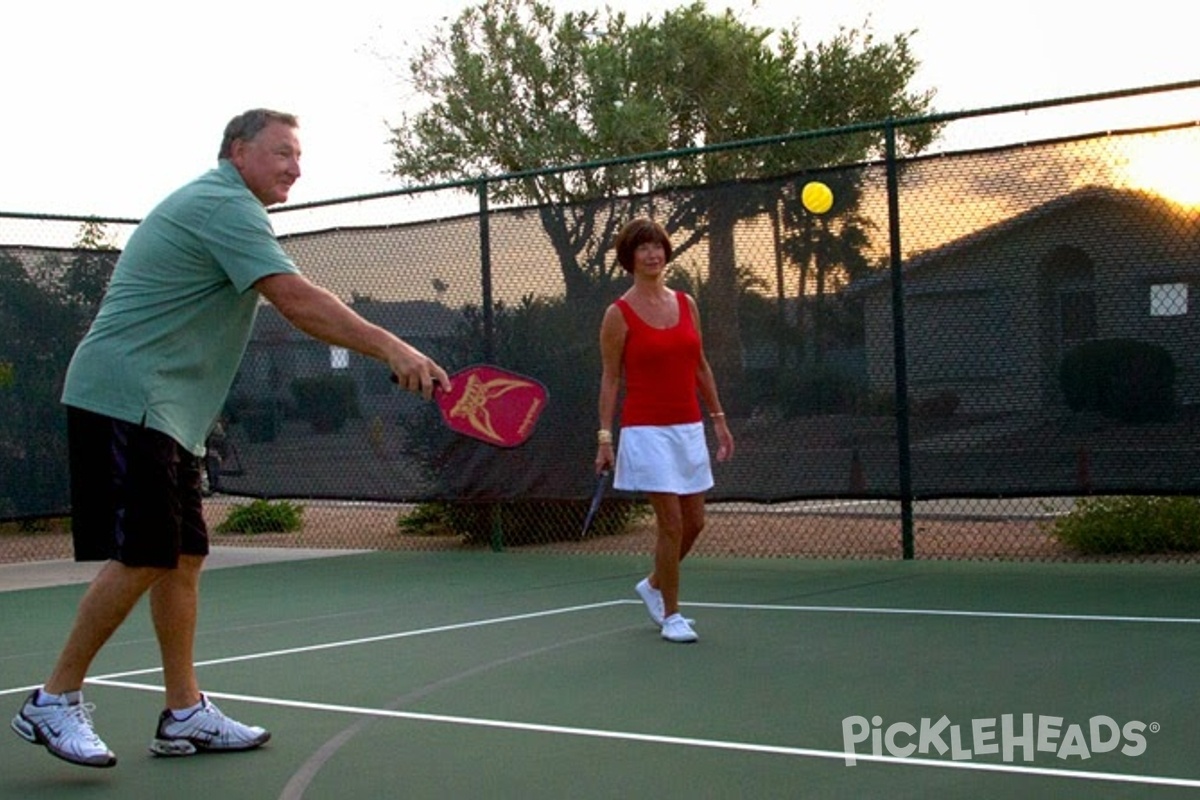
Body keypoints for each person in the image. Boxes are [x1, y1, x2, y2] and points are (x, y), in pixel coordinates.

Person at [10, 109, 450, 769]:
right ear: (238, 151)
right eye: (282, 153)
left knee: (182, 553)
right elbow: (296, 300)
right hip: (129, 397)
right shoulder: (224, 204)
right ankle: (53, 698)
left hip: (168, 410)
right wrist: (390, 345)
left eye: (299, 157)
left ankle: (184, 712)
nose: (295, 168)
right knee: (147, 551)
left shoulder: (229, 207)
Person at [595, 217, 734, 643]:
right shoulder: (617, 314)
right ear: (630, 258)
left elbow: (700, 365)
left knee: (695, 522)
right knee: (670, 522)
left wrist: (719, 420)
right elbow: (611, 378)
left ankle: (654, 584)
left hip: (688, 426)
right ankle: (670, 614)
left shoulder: (687, 303)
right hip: (646, 430)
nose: (653, 253)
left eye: (658, 246)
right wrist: (605, 437)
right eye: (643, 248)